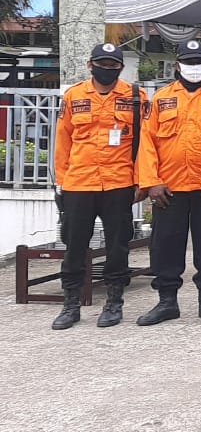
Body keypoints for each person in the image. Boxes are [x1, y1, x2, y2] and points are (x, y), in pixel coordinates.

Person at [135, 39, 201, 326]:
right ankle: (167, 302)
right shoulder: (161, 98)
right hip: (168, 188)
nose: (194, 67)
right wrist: (151, 182)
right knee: (165, 245)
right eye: (189, 62)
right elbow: (146, 142)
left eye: (199, 62)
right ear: (177, 65)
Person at [50, 43, 146, 330]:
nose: (107, 70)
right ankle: (70, 305)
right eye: (102, 64)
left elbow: (145, 144)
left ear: (120, 68)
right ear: (91, 65)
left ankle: (114, 303)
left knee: (118, 247)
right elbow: (63, 143)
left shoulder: (135, 97)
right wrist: (62, 182)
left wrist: (141, 180)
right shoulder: (74, 95)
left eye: (113, 66)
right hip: (79, 183)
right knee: (75, 245)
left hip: (120, 182)